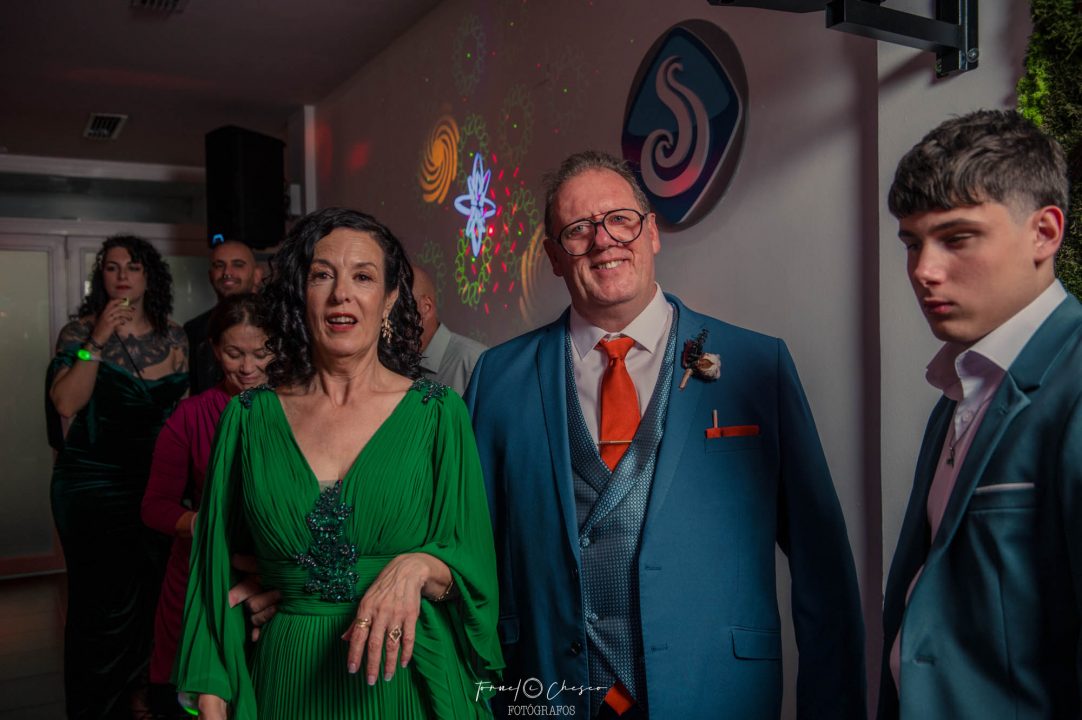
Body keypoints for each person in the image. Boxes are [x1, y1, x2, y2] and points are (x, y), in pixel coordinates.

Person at [464, 151, 865, 718]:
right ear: (554, 256)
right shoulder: (498, 379)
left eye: (620, 220)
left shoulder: (757, 365)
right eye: (578, 230)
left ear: (652, 232)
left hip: (715, 692)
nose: (603, 241)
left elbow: (822, 564)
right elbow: (470, 556)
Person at [174, 208, 503, 720]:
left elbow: (474, 569)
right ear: (300, 295)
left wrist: (415, 567)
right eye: (322, 275)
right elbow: (213, 573)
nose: (341, 294)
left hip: (401, 681)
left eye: (363, 277)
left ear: (389, 299)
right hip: (286, 678)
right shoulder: (247, 419)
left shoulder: (438, 414)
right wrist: (212, 696)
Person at [879, 110, 1080, 719]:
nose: (923, 270)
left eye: (957, 238)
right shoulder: (962, 384)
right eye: (912, 243)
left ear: (1044, 233)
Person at [46, 234, 189, 719]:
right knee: (100, 603)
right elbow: (66, 402)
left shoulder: (175, 336)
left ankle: (145, 696)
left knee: (155, 594)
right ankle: (97, 705)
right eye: (112, 267)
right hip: (92, 485)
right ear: (101, 276)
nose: (123, 275)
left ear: (150, 275)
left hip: (155, 485)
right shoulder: (79, 333)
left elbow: (182, 416)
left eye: (133, 266)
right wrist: (98, 340)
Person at [141, 293, 273, 716]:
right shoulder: (191, 415)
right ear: (215, 349)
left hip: (274, 580)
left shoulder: (297, 409)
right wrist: (207, 525)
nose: (248, 367)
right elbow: (154, 506)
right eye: (234, 354)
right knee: (198, 696)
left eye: (261, 352)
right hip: (203, 574)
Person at [184, 239, 263, 395]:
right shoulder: (194, 329)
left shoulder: (280, 324)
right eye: (219, 265)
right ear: (210, 275)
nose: (227, 272)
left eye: (238, 264)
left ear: (257, 275)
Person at [412, 265, 486, 394]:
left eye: (398, 305)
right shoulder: (389, 364)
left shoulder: (475, 364)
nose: (386, 314)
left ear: (426, 307)